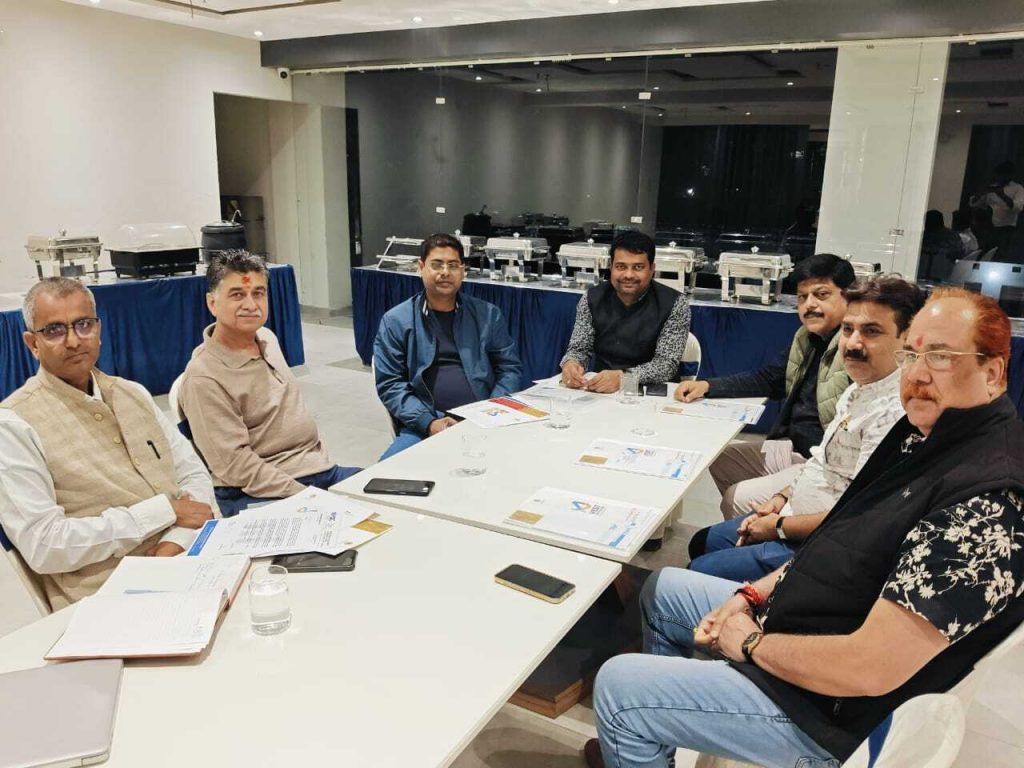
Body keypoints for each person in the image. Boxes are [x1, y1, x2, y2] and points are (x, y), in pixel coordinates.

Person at [586, 287, 1023, 768]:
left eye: (940, 356)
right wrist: (752, 595)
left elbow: (869, 668)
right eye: (912, 355)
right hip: (806, 625)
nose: (916, 374)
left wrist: (751, 644)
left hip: (826, 712)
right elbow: (836, 534)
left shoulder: (986, 504)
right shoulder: (924, 434)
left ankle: (641, 722)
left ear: (993, 372)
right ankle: (657, 735)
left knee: (619, 689)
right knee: (662, 590)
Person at [687, 276, 924, 582]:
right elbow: (822, 459)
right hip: (794, 508)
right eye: (848, 330)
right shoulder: (858, 385)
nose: (853, 343)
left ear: (907, 337)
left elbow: (856, 516)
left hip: (818, 545)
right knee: (701, 543)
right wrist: (781, 498)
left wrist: (778, 527)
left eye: (872, 331)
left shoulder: (896, 413)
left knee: (697, 569)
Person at [0, 278, 216, 609]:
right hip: (109, 597)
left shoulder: (133, 393)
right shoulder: (15, 424)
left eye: (84, 324)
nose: (74, 340)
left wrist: (172, 545)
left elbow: (195, 477)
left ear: (98, 329)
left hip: (190, 555)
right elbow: (45, 545)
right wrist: (162, 512)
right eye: (55, 330)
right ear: (33, 343)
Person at [178, 251, 360, 517]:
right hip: (257, 492)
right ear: (212, 303)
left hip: (318, 472)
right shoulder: (203, 377)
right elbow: (235, 467)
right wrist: (306, 497)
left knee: (394, 502)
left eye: (259, 293)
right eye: (237, 294)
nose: (251, 304)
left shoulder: (267, 338)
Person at [676, 253, 855, 518]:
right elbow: (769, 379)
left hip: (824, 462)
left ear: (849, 297)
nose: (810, 305)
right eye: (802, 297)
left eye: (821, 295)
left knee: (737, 497)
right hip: (795, 447)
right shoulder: (806, 338)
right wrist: (708, 385)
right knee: (721, 460)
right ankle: (765, 525)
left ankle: (767, 531)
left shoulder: (854, 349)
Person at [374, 233, 522, 459]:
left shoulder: (488, 315)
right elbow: (391, 384)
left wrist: (488, 411)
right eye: (437, 264)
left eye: (453, 265)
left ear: (463, 271)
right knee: (387, 470)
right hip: (425, 424)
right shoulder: (396, 321)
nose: (445, 272)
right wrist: (428, 422)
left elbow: (509, 369)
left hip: (485, 419)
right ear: (421, 268)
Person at [560, 231, 690, 394]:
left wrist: (624, 377)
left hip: (651, 393)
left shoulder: (675, 303)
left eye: (638, 267)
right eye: (621, 267)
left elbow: (666, 365)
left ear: (652, 269)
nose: (628, 275)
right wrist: (571, 364)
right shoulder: (591, 298)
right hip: (601, 391)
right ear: (611, 267)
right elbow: (579, 349)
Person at [971, 160, 1024, 251]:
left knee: (1001, 254)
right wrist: (979, 194)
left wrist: (1002, 195)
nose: (999, 178)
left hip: (1005, 228)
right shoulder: (992, 187)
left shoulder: (1018, 188)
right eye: (998, 175)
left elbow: (1018, 207)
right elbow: (975, 204)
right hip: (987, 228)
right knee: (985, 252)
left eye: (1002, 175)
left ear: (1009, 175)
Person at [920, 209, 962, 282]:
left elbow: (958, 256)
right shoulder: (923, 236)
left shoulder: (951, 237)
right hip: (922, 276)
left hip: (943, 278)